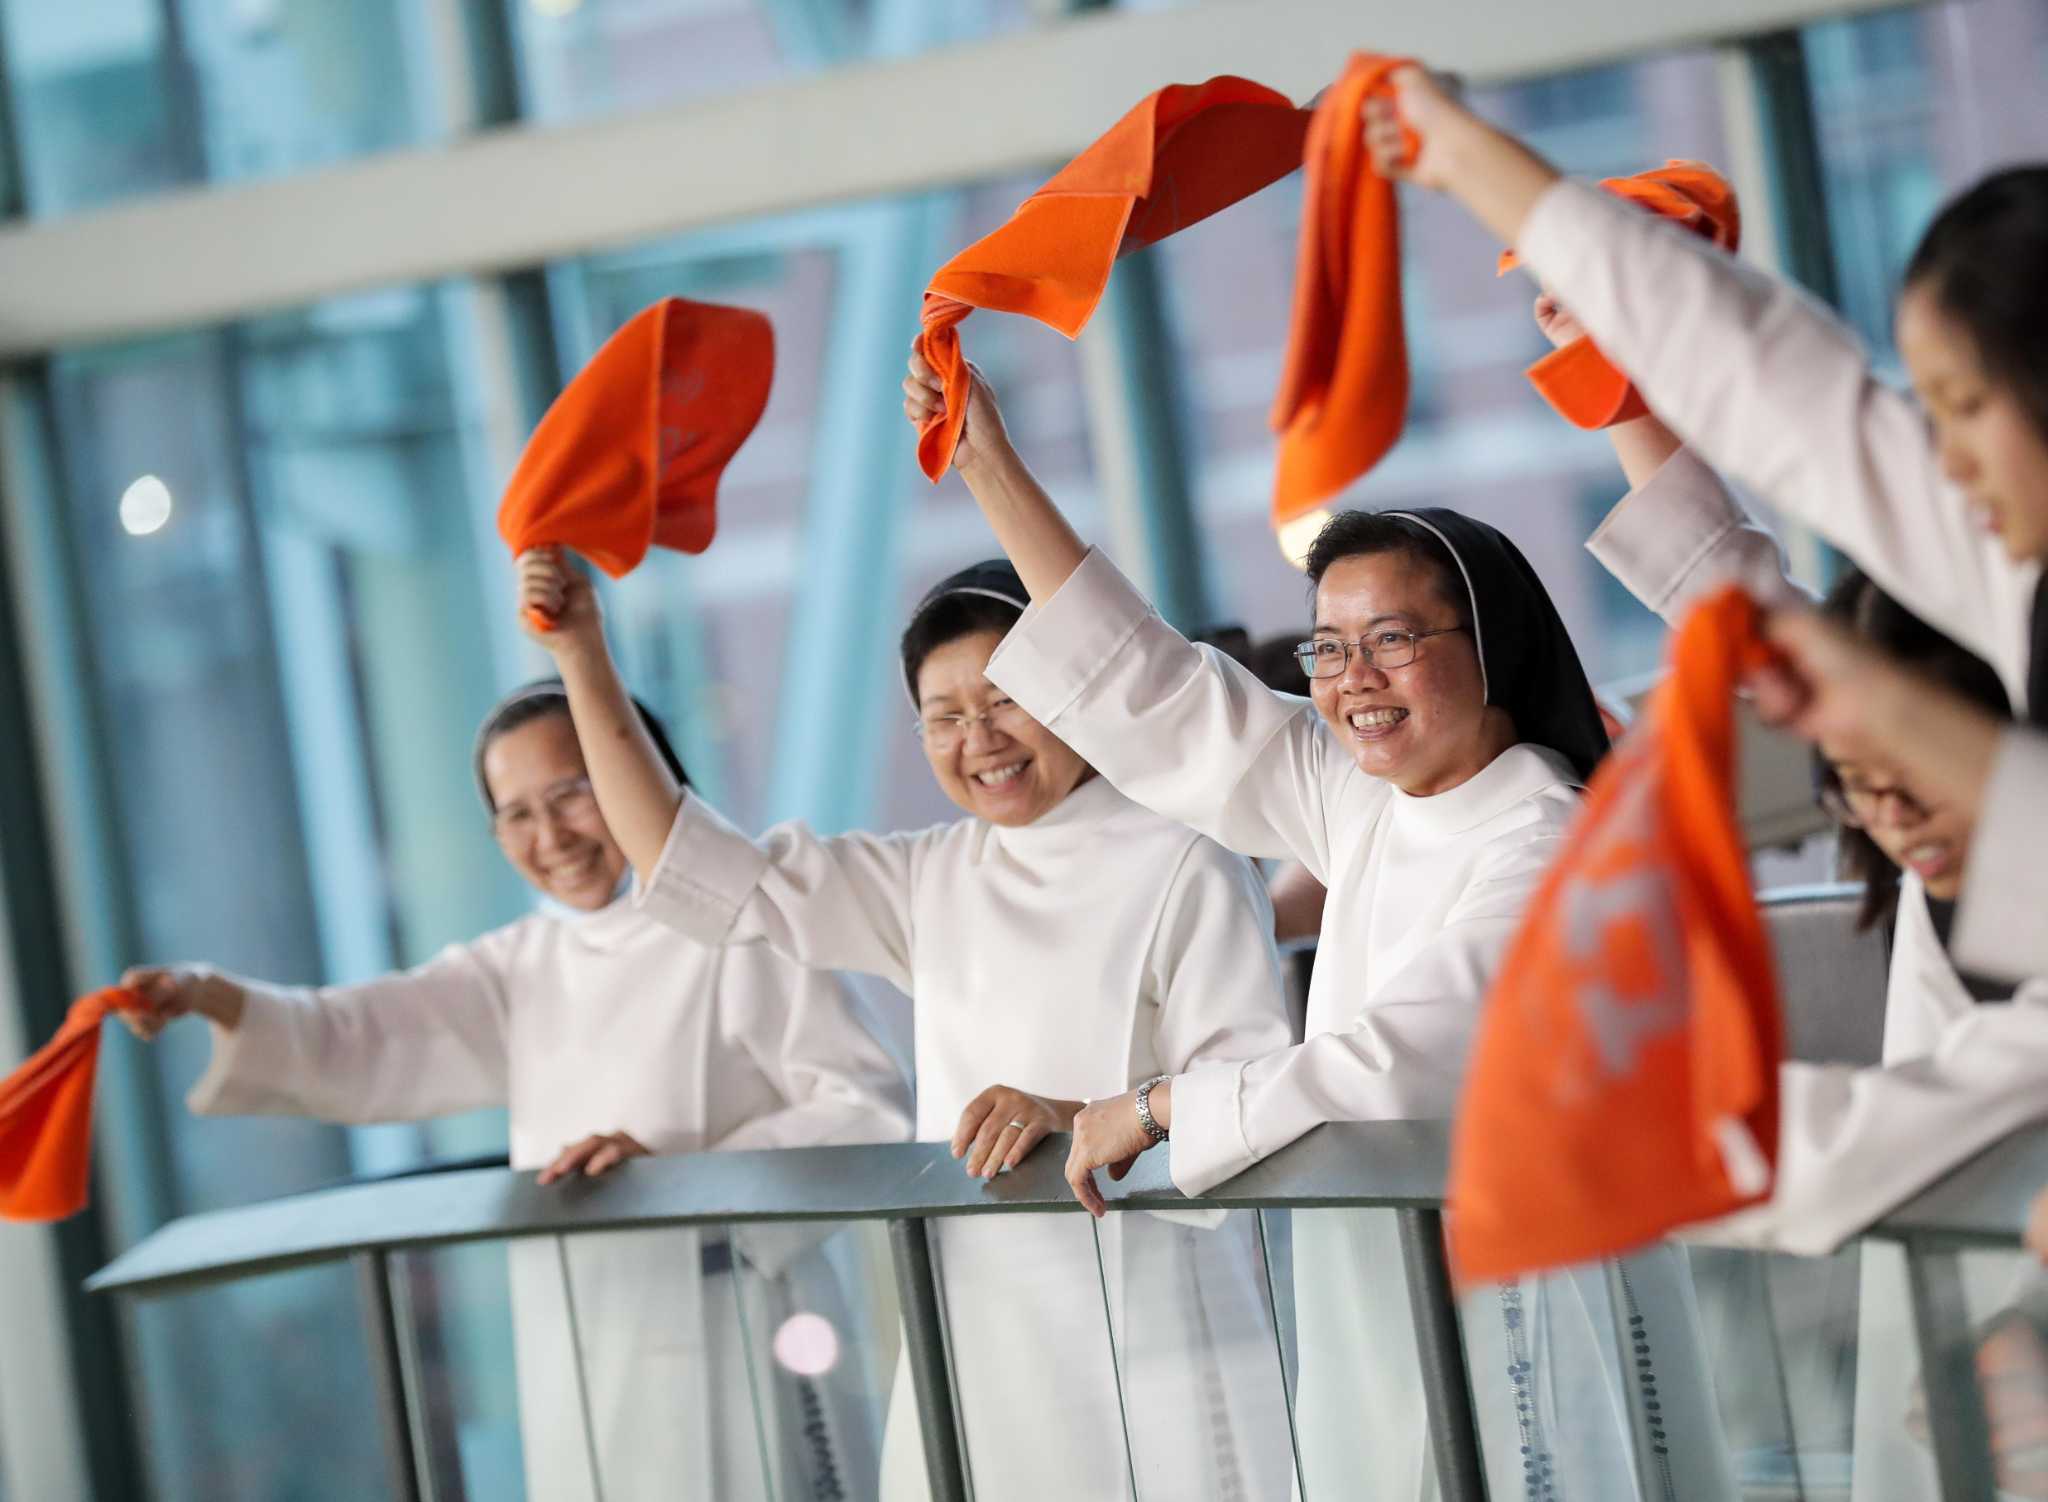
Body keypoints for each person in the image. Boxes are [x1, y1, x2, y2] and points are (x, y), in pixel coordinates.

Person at [904, 351, 1734, 1501]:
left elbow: (1399, 1060)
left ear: (1487, 643)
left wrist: (1148, 1106)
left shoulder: (1548, 841)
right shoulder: (1367, 795)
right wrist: (989, 461)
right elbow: (1154, 688)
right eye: (1328, 646)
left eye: (1393, 638)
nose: (1351, 679)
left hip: (1530, 1293)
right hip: (1379, 1284)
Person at [514, 547, 1299, 1501]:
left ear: (1071, 693)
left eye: (1007, 699)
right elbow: (689, 865)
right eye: (945, 718)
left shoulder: (1188, 860)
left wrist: (1086, 1113)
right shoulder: (933, 876)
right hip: (979, 1326)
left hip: (1162, 1325)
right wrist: (585, 658)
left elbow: (1254, 1097)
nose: (981, 739)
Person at [121, 681, 912, 1502]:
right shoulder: (519, 966)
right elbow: (354, 1037)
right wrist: (210, 993)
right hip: (585, 1331)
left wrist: (683, 1177)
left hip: (745, 1317)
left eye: (573, 795)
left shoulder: (742, 927)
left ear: (640, 775)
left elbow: (869, 1104)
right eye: (517, 814)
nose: (551, 837)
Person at [1366, 71, 2048, 981]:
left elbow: (1775, 382)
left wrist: (1465, 156)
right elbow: (1780, 414)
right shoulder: (2016, 587)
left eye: (1966, 405)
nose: (1950, 464)